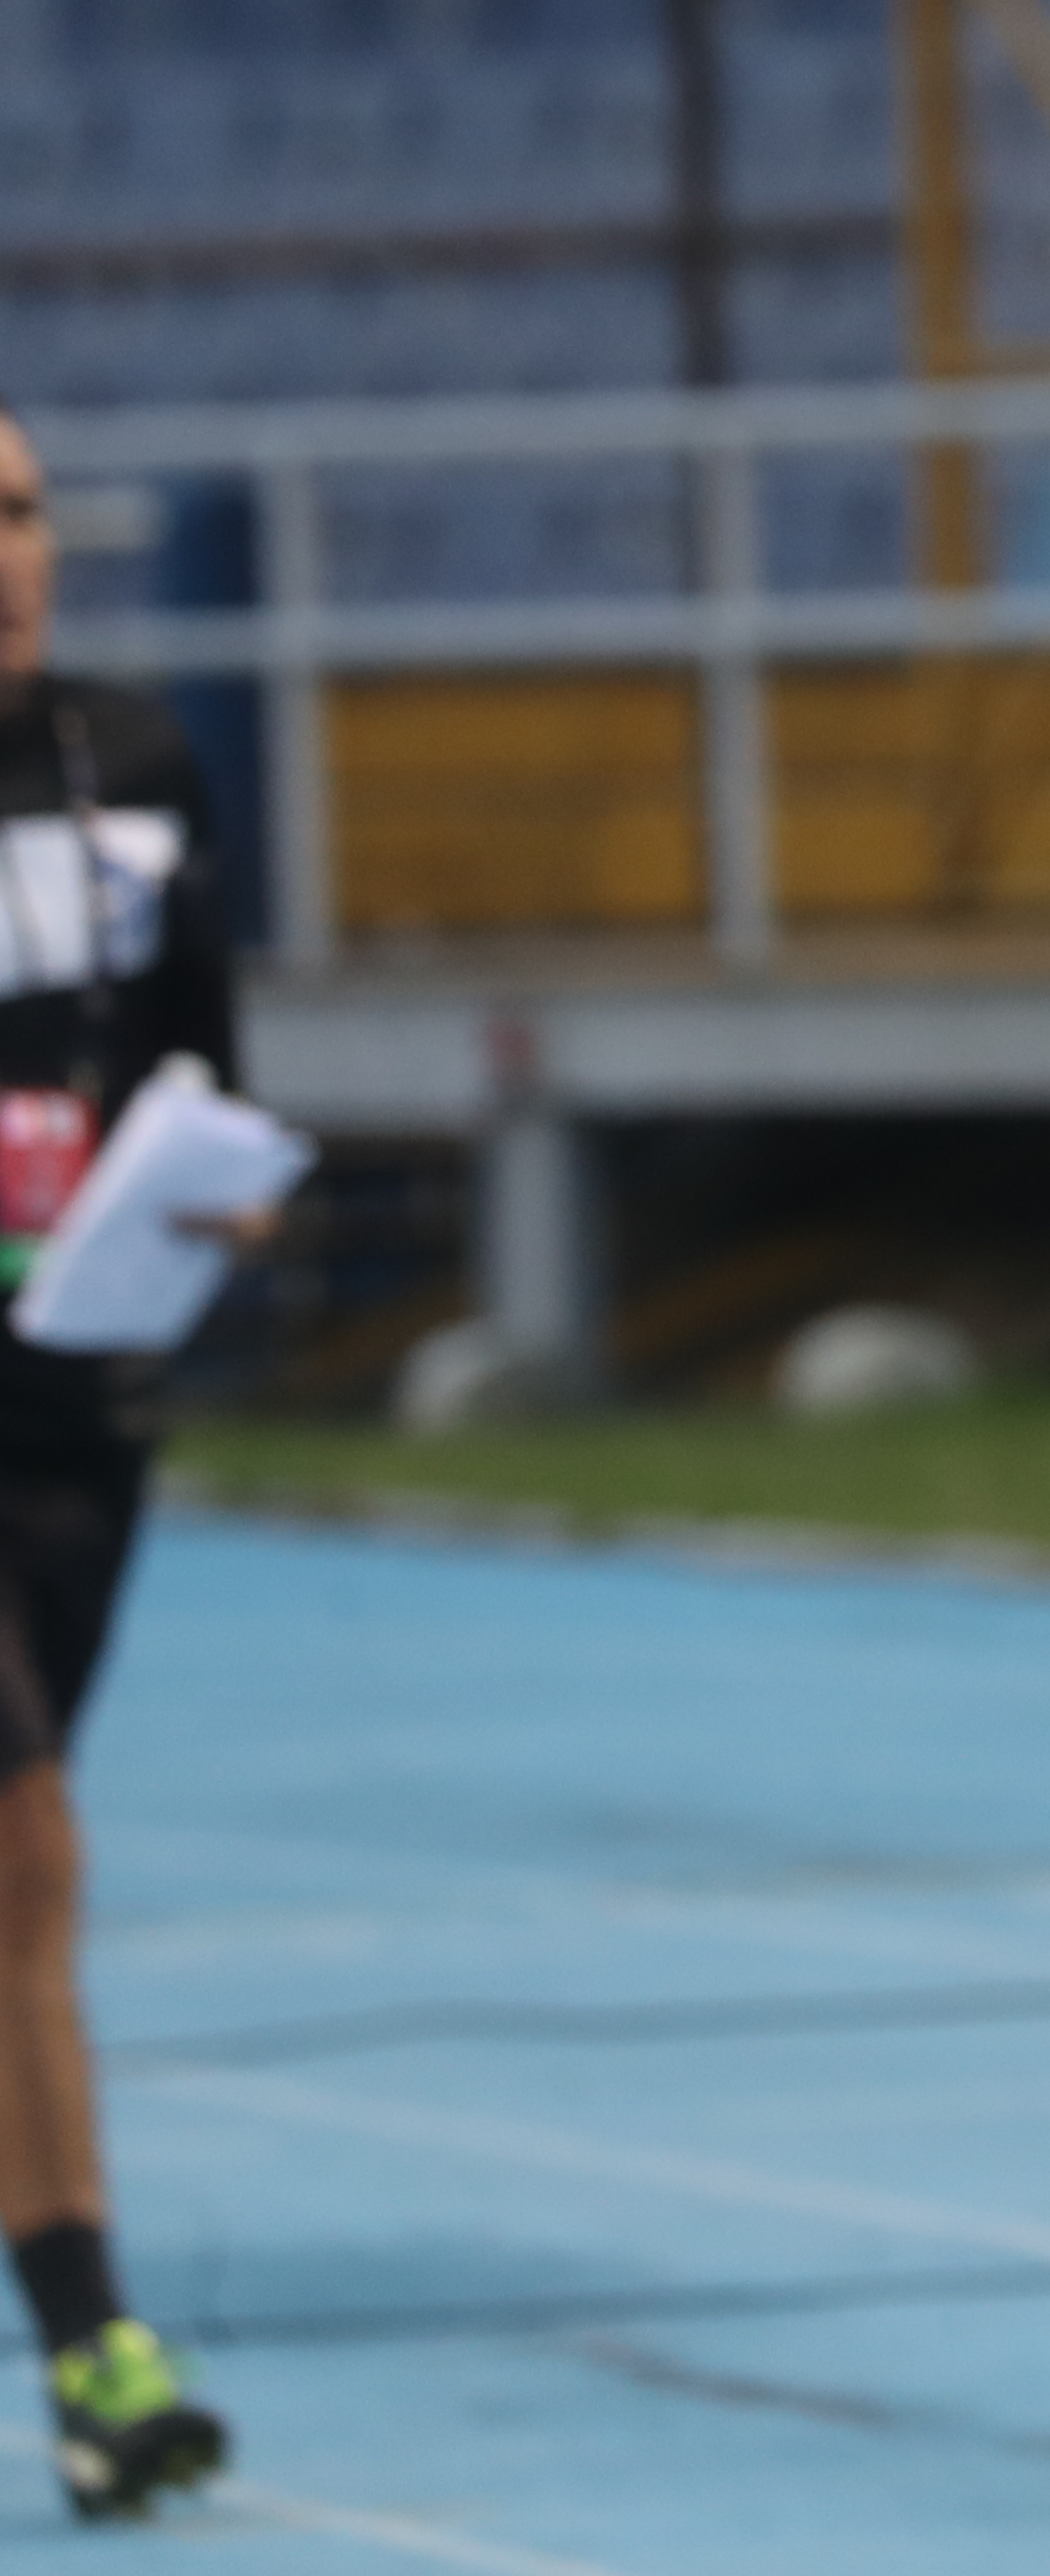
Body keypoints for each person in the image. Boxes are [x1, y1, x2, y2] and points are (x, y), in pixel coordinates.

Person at [0, 408, 243, 2522]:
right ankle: (97, 2347)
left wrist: (224, 1194)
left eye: (16, 510)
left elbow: (200, 1065)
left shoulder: (140, 766)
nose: (3, 553)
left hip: (82, 1409)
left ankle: (85, 2349)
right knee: (32, 1856)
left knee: (12, 1895)